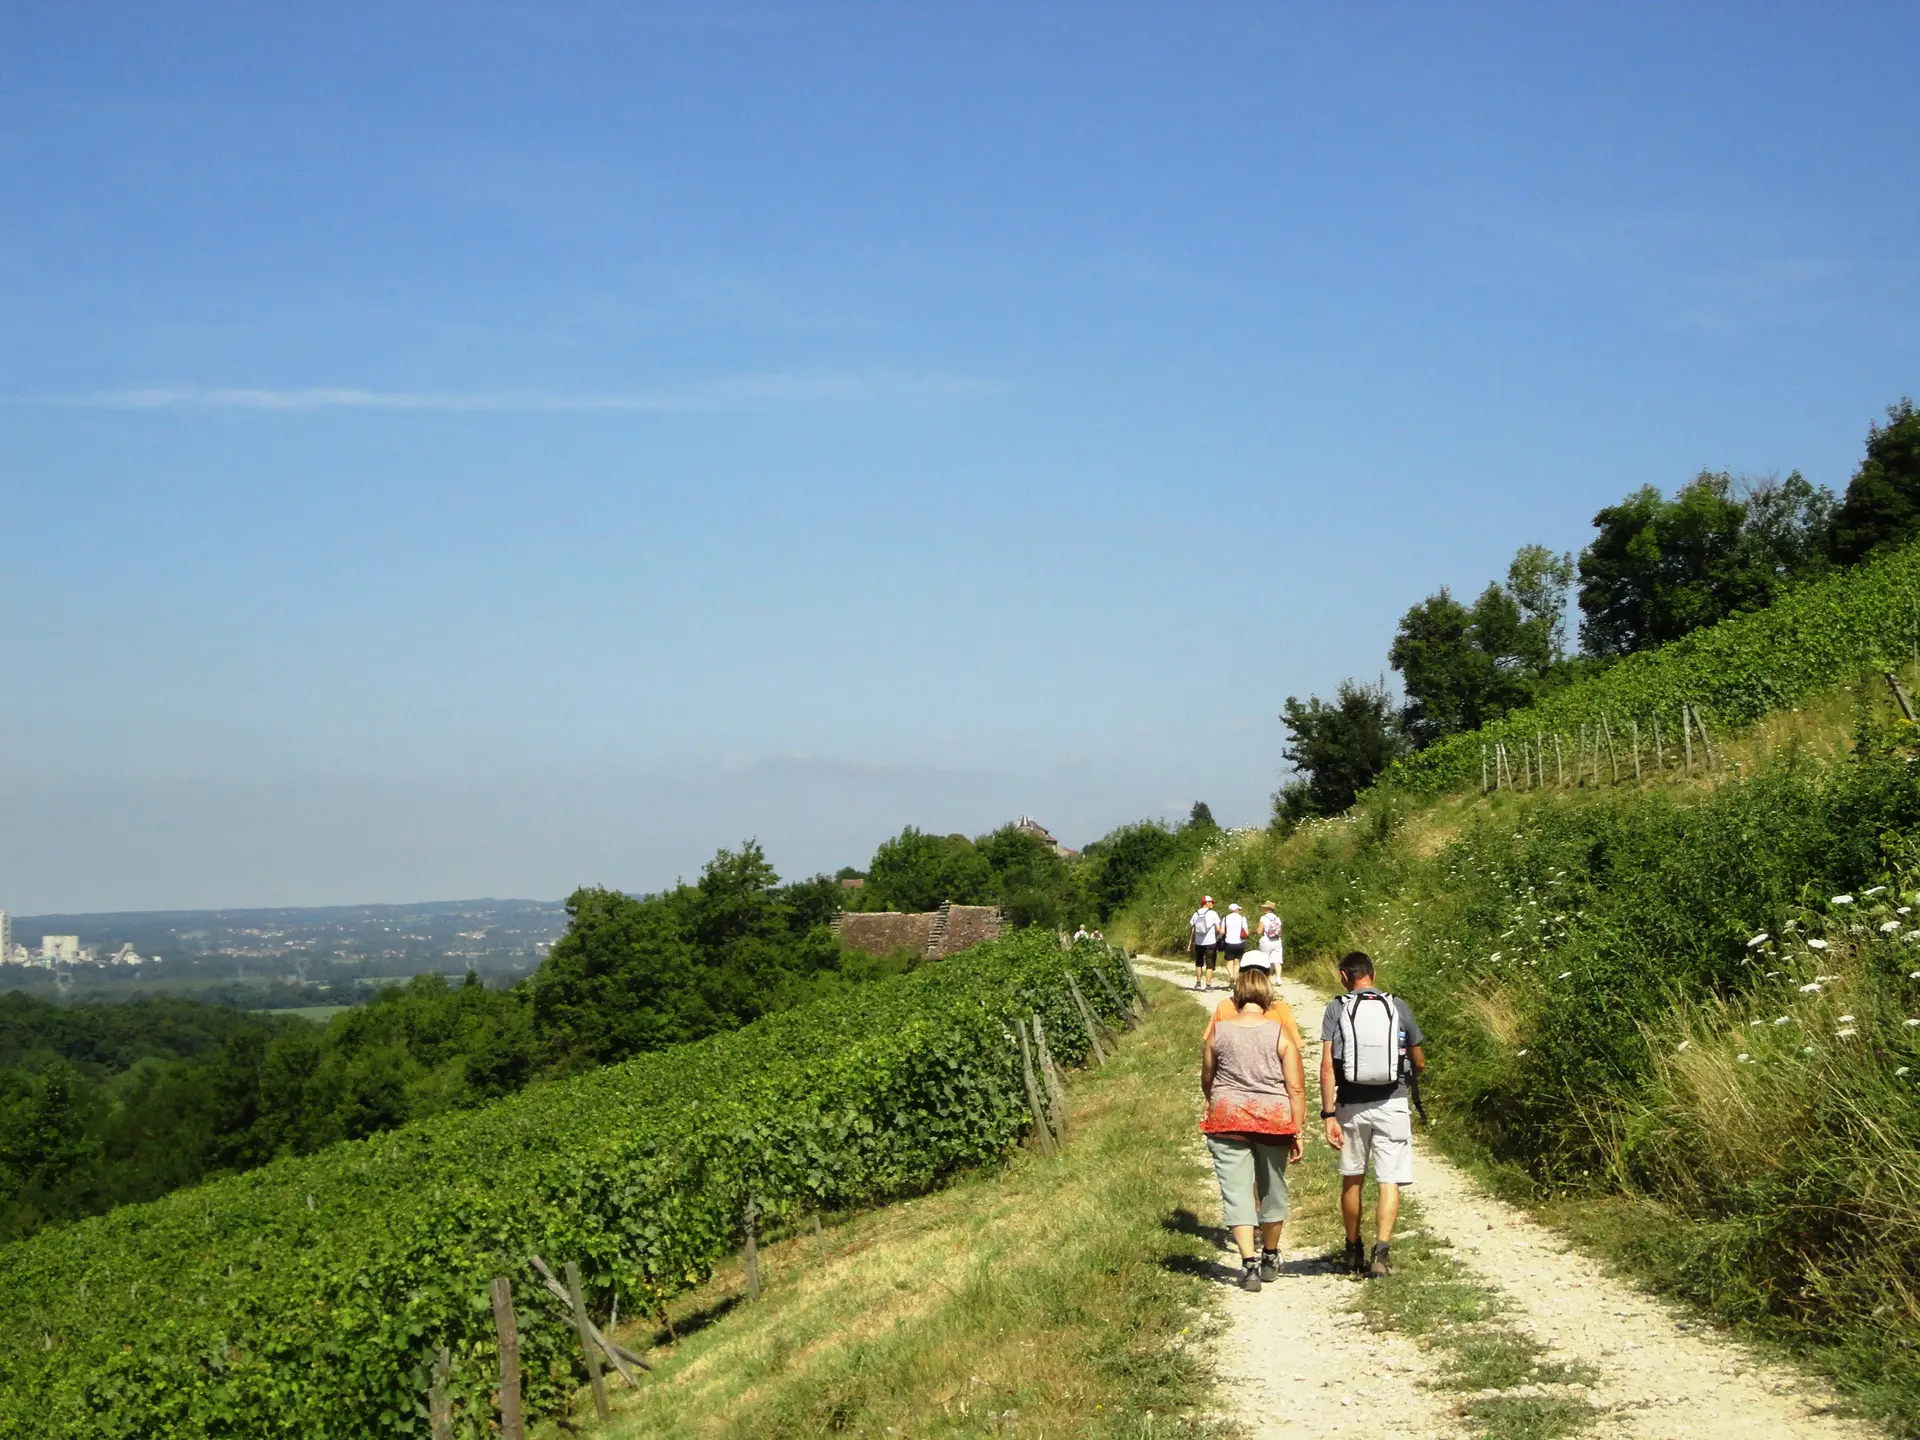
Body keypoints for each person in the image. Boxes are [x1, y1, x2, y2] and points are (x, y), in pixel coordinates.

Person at [1320, 952, 1425, 1278]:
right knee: (1388, 1178)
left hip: (1351, 1105)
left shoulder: (1337, 1008)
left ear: (1343, 976)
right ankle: (1381, 1254)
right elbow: (1419, 1059)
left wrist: (1328, 1114)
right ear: (1372, 974)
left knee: (1352, 1178)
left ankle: (1353, 1251)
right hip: (1392, 1102)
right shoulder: (1398, 1006)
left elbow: (1327, 1066)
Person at [1201, 965, 1307, 1291]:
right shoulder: (1280, 1033)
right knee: (1272, 1190)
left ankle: (1248, 1264)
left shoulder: (1219, 1031)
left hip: (1227, 1117)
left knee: (1236, 1193)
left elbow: (1207, 1076)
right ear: (1267, 996)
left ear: (1237, 995)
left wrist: (1215, 1099)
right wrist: (1297, 1129)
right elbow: (1296, 1088)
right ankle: (1271, 1255)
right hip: (1273, 1121)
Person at [1203, 945, 1303, 1055]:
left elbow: (1210, 1047)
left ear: (1240, 975)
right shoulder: (1280, 1009)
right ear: (1267, 976)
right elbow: (1294, 1049)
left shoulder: (1226, 1007)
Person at [1188, 896, 1222, 990]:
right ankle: (1208, 985)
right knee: (1209, 963)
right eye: (1211, 902)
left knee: (1199, 963)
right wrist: (1217, 934)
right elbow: (1219, 929)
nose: (1212, 904)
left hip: (1199, 943)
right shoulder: (1213, 914)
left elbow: (1191, 929)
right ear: (1206, 903)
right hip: (1210, 942)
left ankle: (1198, 983)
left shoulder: (1196, 914)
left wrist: (1190, 943)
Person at [1219, 902, 1250, 981]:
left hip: (1229, 942)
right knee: (1237, 962)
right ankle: (1235, 978)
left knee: (1229, 961)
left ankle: (1231, 975)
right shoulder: (1242, 918)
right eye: (1238, 909)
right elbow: (1247, 933)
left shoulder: (1225, 918)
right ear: (1236, 910)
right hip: (1240, 942)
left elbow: (1222, 931)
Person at [1256, 902, 1284, 973]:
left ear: (1267, 909)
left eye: (1264, 907)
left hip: (1266, 941)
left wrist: (1255, 932)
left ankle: (1266, 977)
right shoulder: (1277, 918)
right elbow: (1280, 931)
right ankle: (1278, 978)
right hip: (1277, 941)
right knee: (1277, 961)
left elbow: (1259, 931)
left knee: (1264, 960)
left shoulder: (1263, 918)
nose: (1263, 909)